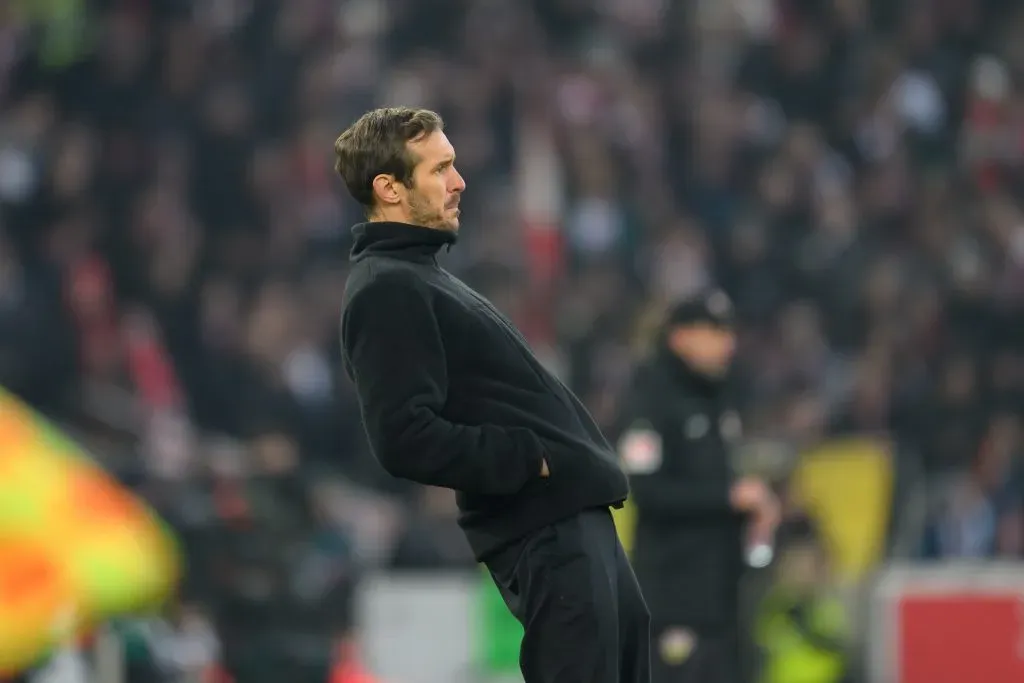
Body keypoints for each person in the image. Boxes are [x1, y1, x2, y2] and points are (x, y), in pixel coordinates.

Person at [334, 107, 650, 683]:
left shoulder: (422, 277)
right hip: (548, 534)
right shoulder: (386, 289)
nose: (459, 183)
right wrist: (530, 458)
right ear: (389, 189)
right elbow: (404, 438)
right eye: (440, 169)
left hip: (574, 527)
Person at [618, 293, 779, 683]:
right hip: (673, 594)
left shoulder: (718, 399)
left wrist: (753, 516)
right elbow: (647, 492)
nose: (728, 343)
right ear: (680, 337)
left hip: (721, 594)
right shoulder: (650, 399)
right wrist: (729, 498)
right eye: (715, 332)